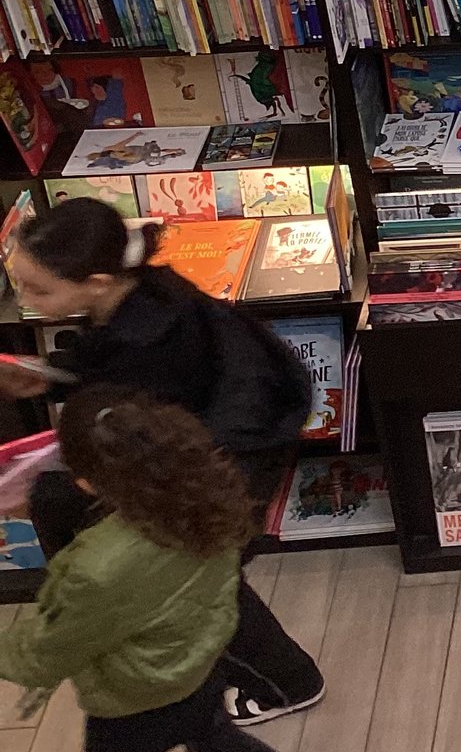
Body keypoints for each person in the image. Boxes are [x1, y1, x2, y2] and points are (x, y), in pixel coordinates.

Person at [0, 200, 325, 722]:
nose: (25, 299)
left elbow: (138, 419)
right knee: (194, 579)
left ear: (99, 281)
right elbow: (109, 366)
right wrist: (53, 372)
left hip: (220, 461)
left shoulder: (148, 343)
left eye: (39, 290)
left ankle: (286, 682)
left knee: (188, 581)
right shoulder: (146, 296)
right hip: (217, 442)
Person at [0, 387, 308, 752]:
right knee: (216, 739)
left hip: (131, 701)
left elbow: (50, 651)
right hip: (199, 666)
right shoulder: (209, 503)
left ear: (87, 484)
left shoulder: (96, 567)